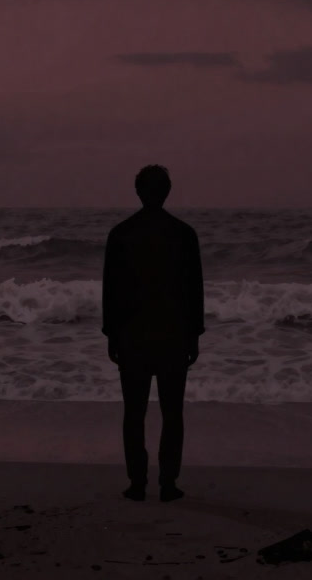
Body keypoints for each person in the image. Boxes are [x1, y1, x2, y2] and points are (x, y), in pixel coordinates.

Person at [102, 164, 205, 502]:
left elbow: (111, 292)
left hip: (132, 336)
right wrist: (195, 335)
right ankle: (168, 483)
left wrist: (111, 335)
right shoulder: (184, 234)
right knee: (172, 412)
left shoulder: (121, 234)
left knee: (134, 412)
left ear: (138, 192)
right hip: (173, 335)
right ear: (167, 191)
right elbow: (194, 291)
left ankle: (137, 482)